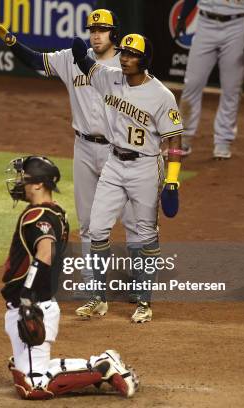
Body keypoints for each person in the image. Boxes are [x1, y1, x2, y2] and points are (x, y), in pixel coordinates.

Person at [0, 9, 142, 320]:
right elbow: (36, 61)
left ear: (114, 33)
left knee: (133, 221)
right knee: (88, 223)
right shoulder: (70, 58)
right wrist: (11, 41)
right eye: (92, 30)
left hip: (120, 151)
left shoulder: (127, 64)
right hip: (85, 148)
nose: (96, 35)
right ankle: (94, 291)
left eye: (102, 30)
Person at [1, 155, 139, 399]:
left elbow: (45, 251)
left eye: (24, 178)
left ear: (38, 184)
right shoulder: (54, 212)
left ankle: (103, 368)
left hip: (33, 304)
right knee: (29, 373)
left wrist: (26, 296)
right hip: (37, 303)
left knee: (33, 387)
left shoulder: (38, 216)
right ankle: (33, 364)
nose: (19, 183)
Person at [71, 34, 184, 323]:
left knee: (145, 233)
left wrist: (172, 181)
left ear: (144, 60)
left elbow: (174, 141)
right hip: (113, 162)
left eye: (131, 55)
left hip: (145, 167)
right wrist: (80, 55)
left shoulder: (161, 95)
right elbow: (89, 69)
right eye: (123, 53)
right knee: (96, 228)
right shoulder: (110, 77)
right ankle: (97, 299)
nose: (124, 58)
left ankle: (144, 302)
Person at [175, 0, 244, 159]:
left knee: (231, 88)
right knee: (192, 83)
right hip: (205, 22)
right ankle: (183, 139)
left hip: (238, 24)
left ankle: (223, 141)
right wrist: (182, 16)